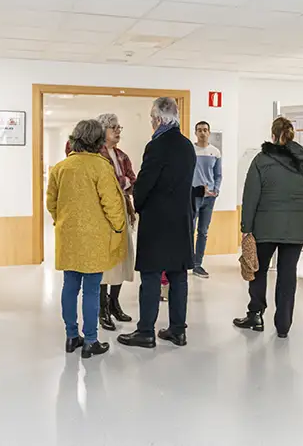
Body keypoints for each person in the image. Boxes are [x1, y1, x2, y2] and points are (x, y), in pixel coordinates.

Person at [233, 116, 303, 339]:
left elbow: (251, 197)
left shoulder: (261, 160)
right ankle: (284, 325)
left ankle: (255, 315)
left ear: (273, 135)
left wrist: (246, 228)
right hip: (296, 228)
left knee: (258, 269)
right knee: (288, 274)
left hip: (265, 226)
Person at [118, 98, 196, 349]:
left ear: (160, 119)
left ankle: (145, 332)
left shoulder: (157, 146)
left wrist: (136, 203)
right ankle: (177, 330)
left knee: (151, 276)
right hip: (182, 218)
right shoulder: (187, 145)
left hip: (158, 221)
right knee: (178, 276)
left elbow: (146, 182)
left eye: (152, 118)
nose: (151, 123)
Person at [47, 119, 127, 358]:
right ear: (98, 140)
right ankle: (91, 340)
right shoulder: (101, 167)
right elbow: (111, 204)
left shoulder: (60, 168)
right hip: (94, 238)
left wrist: (62, 221)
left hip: (68, 236)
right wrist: (119, 227)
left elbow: (51, 203)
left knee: (69, 286)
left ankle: (71, 337)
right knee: (91, 290)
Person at [95, 113, 137, 331]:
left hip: (122, 211)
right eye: (113, 127)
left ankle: (114, 304)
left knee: (122, 259)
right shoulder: (96, 155)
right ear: (102, 131)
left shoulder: (122, 155)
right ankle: (102, 309)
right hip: (103, 216)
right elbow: (112, 183)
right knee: (106, 264)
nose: (118, 131)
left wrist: (124, 182)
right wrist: (124, 181)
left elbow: (132, 181)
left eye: (119, 127)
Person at [191, 121, 222, 278]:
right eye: (199, 130)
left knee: (203, 231)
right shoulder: (191, 150)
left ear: (209, 132)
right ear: (195, 133)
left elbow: (218, 174)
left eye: (205, 130)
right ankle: (186, 262)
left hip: (209, 198)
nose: (202, 133)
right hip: (193, 196)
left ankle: (198, 265)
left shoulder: (215, 152)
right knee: (190, 229)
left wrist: (216, 190)